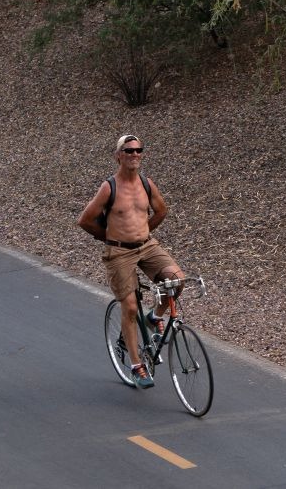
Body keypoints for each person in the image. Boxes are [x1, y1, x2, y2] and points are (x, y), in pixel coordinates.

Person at [77, 134, 185, 389]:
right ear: (118, 156)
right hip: (119, 253)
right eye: (129, 151)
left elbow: (162, 210)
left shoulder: (147, 184)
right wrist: (110, 237)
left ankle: (153, 317)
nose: (134, 154)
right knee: (130, 306)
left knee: (176, 281)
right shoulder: (109, 187)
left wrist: (144, 232)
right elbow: (85, 220)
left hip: (147, 246)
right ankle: (137, 365)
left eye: (138, 150)